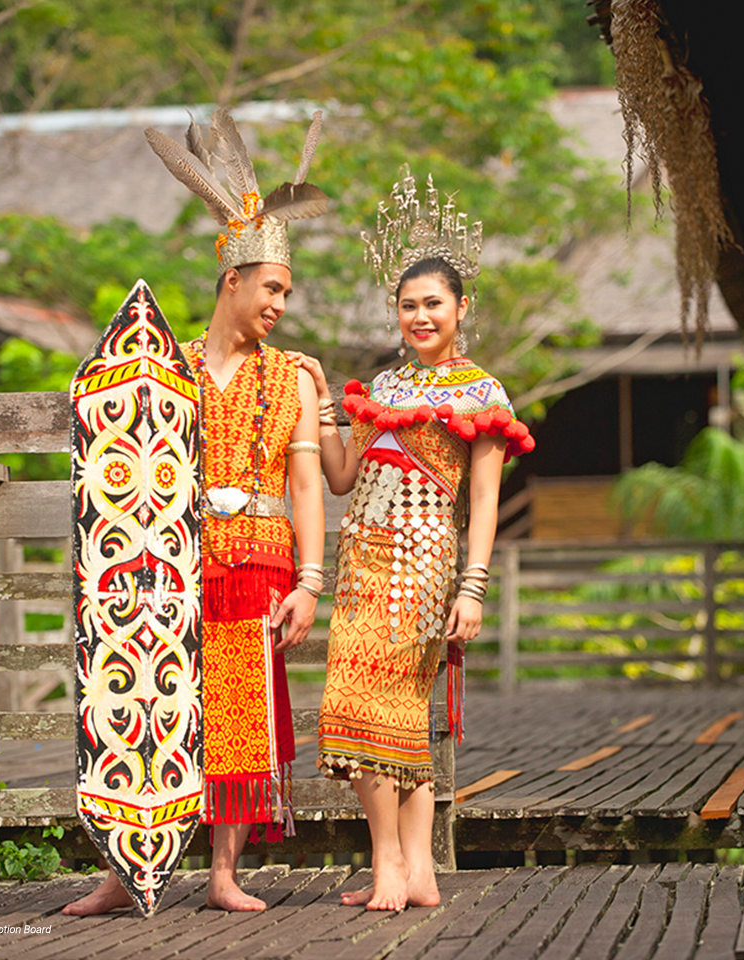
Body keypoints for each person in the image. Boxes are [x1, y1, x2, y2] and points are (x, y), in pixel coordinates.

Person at [65, 108, 328, 916]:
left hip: (258, 559)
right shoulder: (161, 367)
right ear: (232, 280)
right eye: (272, 288)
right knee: (150, 699)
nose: (280, 304)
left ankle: (222, 873)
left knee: (242, 712)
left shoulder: (294, 376)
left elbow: (308, 483)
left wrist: (311, 579)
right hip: (164, 559)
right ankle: (125, 869)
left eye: (286, 291)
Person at [291, 168, 534, 912]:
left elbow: (486, 501)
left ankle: (391, 865)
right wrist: (322, 398)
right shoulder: (383, 389)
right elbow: (338, 478)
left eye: (433, 304)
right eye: (408, 306)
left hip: (424, 566)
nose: (420, 317)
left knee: (375, 704)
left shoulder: (482, 393)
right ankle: (417, 870)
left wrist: (474, 587)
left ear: (462, 308)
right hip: (360, 561)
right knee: (380, 712)